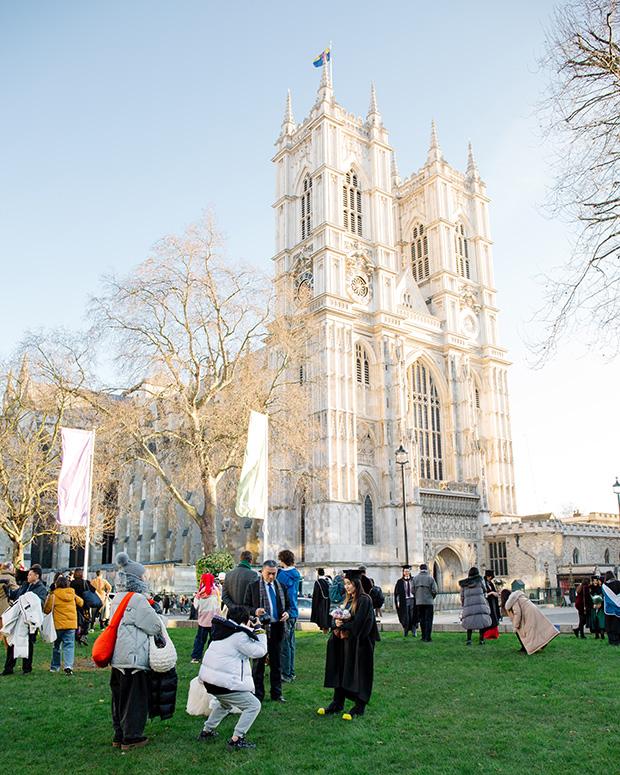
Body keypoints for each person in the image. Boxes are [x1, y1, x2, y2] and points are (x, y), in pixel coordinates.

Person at [109, 552, 164, 750]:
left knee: (119, 699)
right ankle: (132, 737)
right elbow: (154, 626)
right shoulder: (138, 600)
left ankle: (119, 734)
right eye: (143, 576)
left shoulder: (118, 598)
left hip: (118, 657)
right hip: (134, 657)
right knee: (135, 699)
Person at [197, 605, 268, 751]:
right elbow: (260, 651)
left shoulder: (223, 630)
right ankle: (237, 739)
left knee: (225, 704)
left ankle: (207, 731)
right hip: (222, 683)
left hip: (210, 681)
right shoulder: (239, 636)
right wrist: (260, 630)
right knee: (253, 705)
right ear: (244, 620)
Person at [318, 568, 379, 719]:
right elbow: (337, 616)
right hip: (346, 643)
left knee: (359, 674)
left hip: (360, 644)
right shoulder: (347, 599)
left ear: (356, 584)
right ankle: (337, 703)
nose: (347, 587)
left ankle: (359, 706)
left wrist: (342, 625)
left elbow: (360, 623)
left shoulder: (364, 600)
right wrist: (336, 622)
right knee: (341, 670)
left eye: (349, 584)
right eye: (345, 584)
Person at [243, 559, 290, 703]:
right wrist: (255, 611)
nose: (271, 576)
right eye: (269, 573)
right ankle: (258, 694)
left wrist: (287, 613)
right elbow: (245, 607)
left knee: (276, 663)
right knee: (258, 664)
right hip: (260, 629)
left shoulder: (281, 586)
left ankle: (277, 694)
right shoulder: (253, 587)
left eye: (274, 574)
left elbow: (288, 605)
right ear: (262, 571)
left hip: (277, 628)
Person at [2, 564, 47, 675]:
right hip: (18, 618)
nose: (28, 576)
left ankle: (27, 668)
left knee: (28, 644)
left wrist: (27, 601)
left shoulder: (41, 588)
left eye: (30, 574)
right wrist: (8, 591)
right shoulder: (25, 586)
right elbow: (15, 596)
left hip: (30, 620)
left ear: (37, 576)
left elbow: (39, 602)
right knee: (12, 642)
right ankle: (8, 668)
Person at [43, 575, 83, 674]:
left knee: (56, 646)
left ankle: (55, 667)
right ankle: (68, 666)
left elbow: (46, 610)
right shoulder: (72, 594)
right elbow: (81, 603)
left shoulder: (53, 595)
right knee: (69, 645)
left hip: (58, 625)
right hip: (71, 625)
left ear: (56, 584)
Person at [502, 588, 559, 655]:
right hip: (533, 611)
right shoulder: (517, 596)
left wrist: (515, 626)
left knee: (526, 632)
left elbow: (517, 613)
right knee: (535, 630)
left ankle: (529, 648)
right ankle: (541, 643)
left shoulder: (512, 601)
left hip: (527, 614)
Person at [276, 549, 302, 683]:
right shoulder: (294, 574)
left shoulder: (285, 575)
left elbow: (288, 596)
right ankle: (290, 672)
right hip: (292, 612)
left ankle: (286, 674)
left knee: (285, 645)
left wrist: (289, 611)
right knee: (290, 644)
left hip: (287, 613)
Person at [191, 572, 220, 663]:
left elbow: (195, 606)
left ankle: (196, 657)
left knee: (200, 640)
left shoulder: (200, 593)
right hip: (214, 620)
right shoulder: (217, 591)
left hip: (203, 620)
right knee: (213, 640)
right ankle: (211, 657)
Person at [459, 566, 492, 645]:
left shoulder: (464, 584)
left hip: (469, 605)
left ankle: (469, 640)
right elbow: (485, 590)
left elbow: (462, 596)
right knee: (481, 622)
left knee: (469, 622)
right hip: (480, 604)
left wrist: (464, 604)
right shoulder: (480, 582)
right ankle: (481, 640)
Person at [412, 563, 438, 642]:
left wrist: (418, 597)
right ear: (426, 569)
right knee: (428, 620)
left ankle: (423, 636)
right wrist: (431, 597)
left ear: (420, 569)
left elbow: (412, 590)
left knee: (422, 619)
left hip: (419, 602)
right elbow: (435, 590)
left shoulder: (415, 579)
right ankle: (428, 637)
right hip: (429, 602)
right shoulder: (430, 578)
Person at [394, 565, 417, 637]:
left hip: (413, 600)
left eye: (408, 571)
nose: (406, 572)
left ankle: (414, 631)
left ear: (410, 572)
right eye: (405, 571)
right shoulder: (400, 582)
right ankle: (405, 631)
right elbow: (397, 593)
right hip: (404, 601)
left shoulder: (414, 580)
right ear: (403, 572)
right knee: (405, 616)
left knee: (413, 615)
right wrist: (398, 602)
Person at [310, 568, 332, 633]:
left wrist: (315, 606)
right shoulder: (328, 581)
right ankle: (326, 630)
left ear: (318, 573)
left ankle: (324, 631)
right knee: (326, 617)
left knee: (322, 618)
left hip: (321, 604)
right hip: (328, 603)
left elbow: (316, 595)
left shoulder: (317, 582)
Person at [602, 570, 620, 646]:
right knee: (618, 625)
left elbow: (604, 596)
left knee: (610, 626)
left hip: (609, 609)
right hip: (619, 608)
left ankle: (612, 641)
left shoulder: (605, 586)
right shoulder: (619, 583)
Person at [483, 569, 500, 634]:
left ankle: (493, 633)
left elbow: (493, 591)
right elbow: (484, 595)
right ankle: (487, 633)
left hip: (492, 603)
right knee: (488, 619)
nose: (491, 578)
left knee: (493, 618)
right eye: (490, 577)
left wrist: (496, 593)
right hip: (487, 604)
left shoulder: (490, 583)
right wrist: (491, 593)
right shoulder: (483, 583)